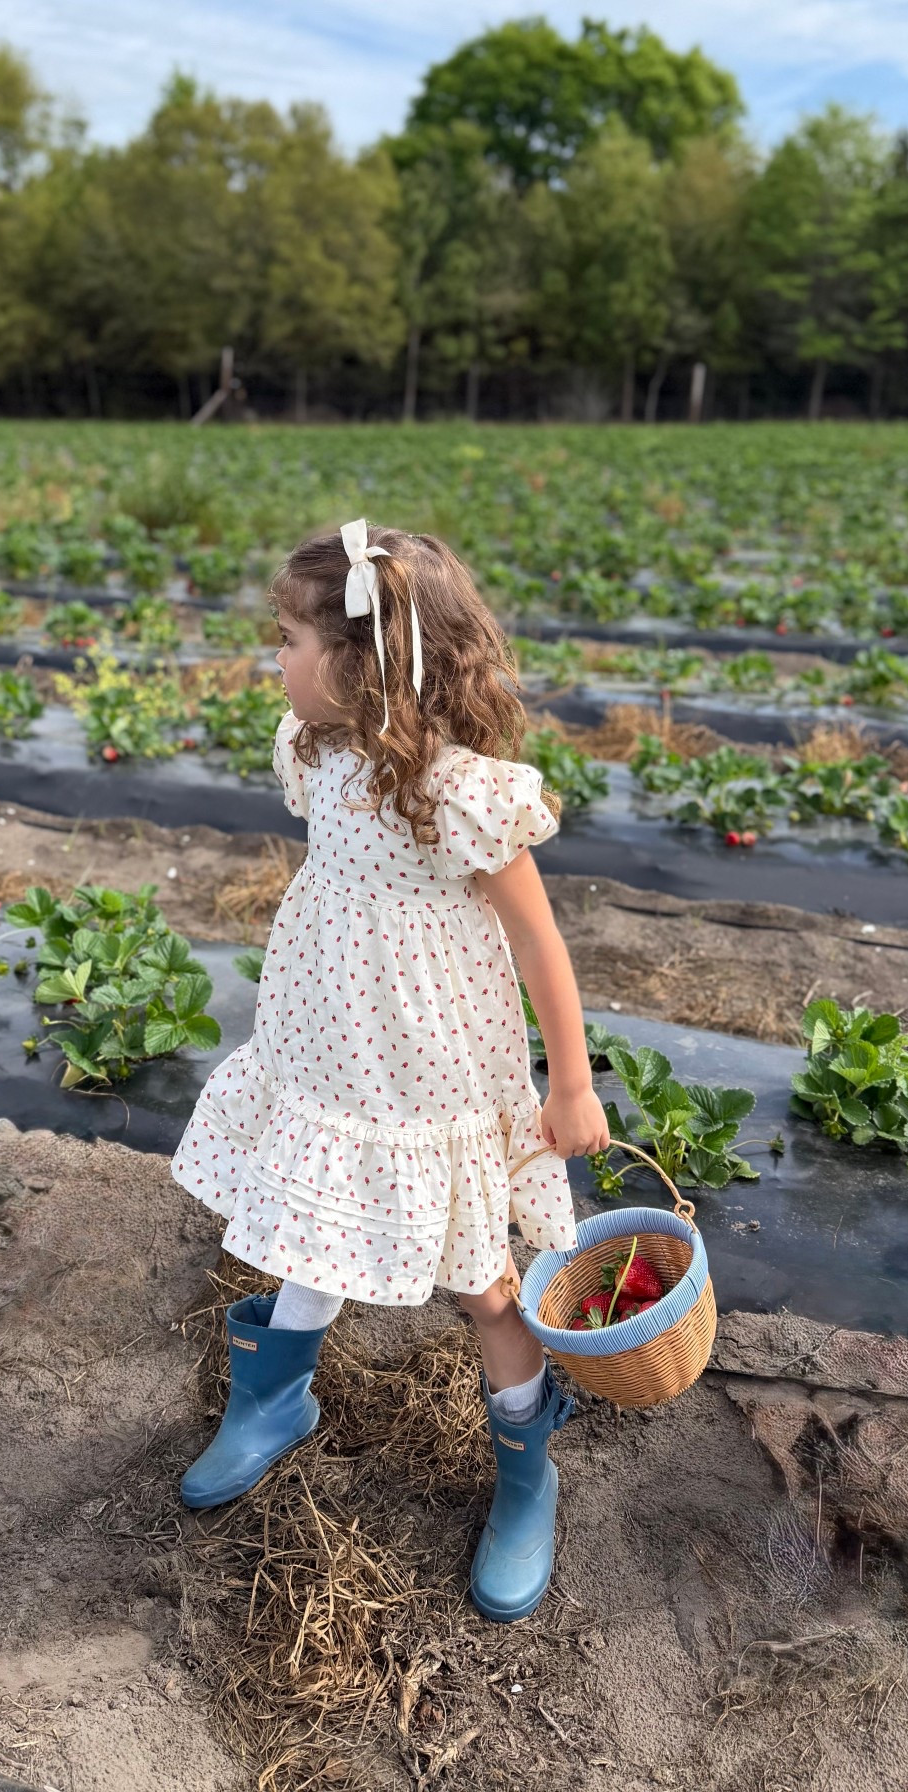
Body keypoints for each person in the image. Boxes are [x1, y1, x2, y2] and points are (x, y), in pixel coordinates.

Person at [171, 518, 610, 1623]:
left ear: (359, 661)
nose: (274, 660)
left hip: (431, 1070)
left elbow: (538, 942)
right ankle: (274, 1402)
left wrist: (569, 1082)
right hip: (328, 1050)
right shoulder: (318, 751)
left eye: (287, 640)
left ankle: (525, 1474)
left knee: (482, 1278)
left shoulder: (460, 791)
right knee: (318, 1216)